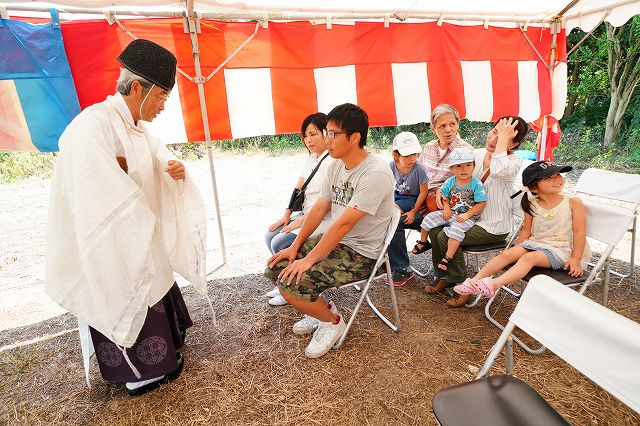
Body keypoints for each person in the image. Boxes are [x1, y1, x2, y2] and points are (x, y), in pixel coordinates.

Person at [45, 39, 208, 396]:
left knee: (151, 279)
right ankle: (139, 373)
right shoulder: (92, 124)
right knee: (122, 285)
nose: (164, 106)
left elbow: (153, 160)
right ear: (137, 88)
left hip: (138, 229)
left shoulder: (137, 129)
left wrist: (171, 169)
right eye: (162, 96)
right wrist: (131, 169)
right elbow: (91, 181)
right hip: (110, 236)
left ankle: (164, 353)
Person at [265, 103, 395, 359]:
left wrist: (309, 259)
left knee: (292, 283)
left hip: (362, 253)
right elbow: (318, 209)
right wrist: (294, 247)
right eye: (327, 132)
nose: (327, 139)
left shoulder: (375, 172)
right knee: (275, 269)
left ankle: (332, 322)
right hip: (338, 242)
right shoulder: (335, 163)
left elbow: (344, 224)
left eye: (333, 134)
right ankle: (320, 311)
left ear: (355, 137)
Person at [425, 117, 527, 307]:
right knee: (434, 230)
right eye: (495, 131)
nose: (494, 139)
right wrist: (441, 192)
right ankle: (444, 275)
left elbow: (497, 170)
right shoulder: (477, 154)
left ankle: (463, 285)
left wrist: (501, 141)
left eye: (503, 138)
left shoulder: (513, 162)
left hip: (493, 225)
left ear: (515, 143)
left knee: (446, 237)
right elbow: (456, 176)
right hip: (468, 218)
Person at [453, 161, 591, 298]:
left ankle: (494, 285)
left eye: (558, 174)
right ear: (534, 188)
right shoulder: (532, 204)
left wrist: (576, 258)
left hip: (561, 249)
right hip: (537, 244)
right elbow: (526, 231)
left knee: (529, 258)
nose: (556, 179)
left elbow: (580, 232)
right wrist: (516, 248)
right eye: (548, 177)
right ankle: (473, 282)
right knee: (506, 254)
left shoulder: (573, 203)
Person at [386, 104, 473, 286]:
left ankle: (439, 274)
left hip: (445, 205)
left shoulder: (465, 150)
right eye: (442, 126)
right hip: (420, 200)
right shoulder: (428, 148)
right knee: (392, 219)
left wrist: (439, 195)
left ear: (458, 124)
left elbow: (466, 185)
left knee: (399, 221)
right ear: (433, 129)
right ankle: (402, 267)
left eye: (452, 124)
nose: (448, 130)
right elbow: (420, 179)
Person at [264, 113, 333, 306]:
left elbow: (330, 204)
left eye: (313, 134)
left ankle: (293, 287)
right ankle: (283, 284)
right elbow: (300, 185)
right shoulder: (312, 156)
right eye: (305, 135)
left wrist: (301, 221)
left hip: (323, 218)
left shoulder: (332, 160)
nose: (308, 140)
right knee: (270, 235)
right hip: (306, 213)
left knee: (280, 241)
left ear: (326, 133)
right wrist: (287, 212)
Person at [414, 148, 486, 271]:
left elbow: (481, 203)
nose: (464, 169)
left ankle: (448, 257)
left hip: (467, 217)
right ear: (451, 169)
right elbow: (445, 196)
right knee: (428, 218)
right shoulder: (450, 181)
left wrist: (467, 215)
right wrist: (446, 208)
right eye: (458, 166)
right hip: (451, 212)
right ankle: (423, 242)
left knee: (456, 230)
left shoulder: (476, 184)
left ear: (474, 166)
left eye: (468, 165)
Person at [390, 131, 428, 232]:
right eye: (407, 155)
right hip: (398, 194)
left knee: (391, 213)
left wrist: (413, 211)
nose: (412, 159)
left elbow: (424, 192)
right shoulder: (391, 166)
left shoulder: (419, 169)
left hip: (412, 198)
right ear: (395, 154)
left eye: (415, 154)